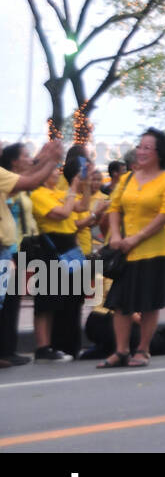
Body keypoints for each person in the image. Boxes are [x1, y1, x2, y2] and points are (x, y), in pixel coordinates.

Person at [100, 129, 165, 368]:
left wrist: (137, 238)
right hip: (125, 251)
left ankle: (143, 350)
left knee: (148, 303)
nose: (141, 152)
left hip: (155, 250)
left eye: (147, 148)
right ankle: (121, 350)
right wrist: (115, 234)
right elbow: (113, 208)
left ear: (160, 153)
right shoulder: (126, 180)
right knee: (119, 302)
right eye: (140, 146)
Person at [1, 141, 64, 366]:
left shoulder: (10, 179)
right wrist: (52, 160)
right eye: (25, 155)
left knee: (11, 301)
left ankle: (7, 350)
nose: (30, 158)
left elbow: (29, 174)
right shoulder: (7, 180)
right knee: (7, 301)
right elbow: (31, 179)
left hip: (17, 249)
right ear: (14, 161)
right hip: (12, 249)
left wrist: (44, 158)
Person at [29, 150, 95, 362]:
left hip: (71, 248)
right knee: (47, 301)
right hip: (52, 249)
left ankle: (68, 345)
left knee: (71, 300)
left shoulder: (57, 192)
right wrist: (74, 188)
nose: (56, 175)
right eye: (51, 172)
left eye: (57, 171)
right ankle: (44, 346)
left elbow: (82, 206)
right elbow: (64, 213)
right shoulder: (38, 194)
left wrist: (84, 185)